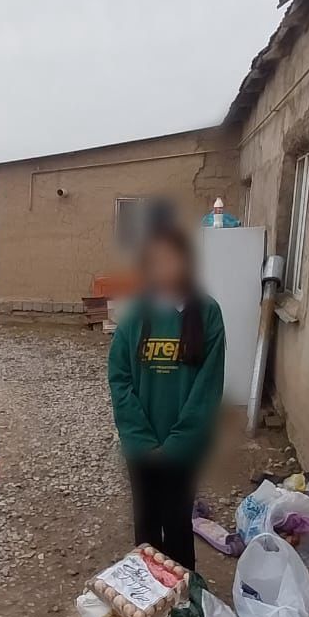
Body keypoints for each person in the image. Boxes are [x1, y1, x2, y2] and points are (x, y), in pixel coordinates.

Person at [107, 224, 225, 570]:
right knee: (146, 527)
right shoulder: (135, 316)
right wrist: (142, 440)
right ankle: (148, 594)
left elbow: (207, 387)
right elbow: (119, 379)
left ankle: (183, 596)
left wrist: (177, 444)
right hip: (141, 447)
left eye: (171, 259)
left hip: (183, 449)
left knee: (177, 524)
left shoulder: (207, 313)